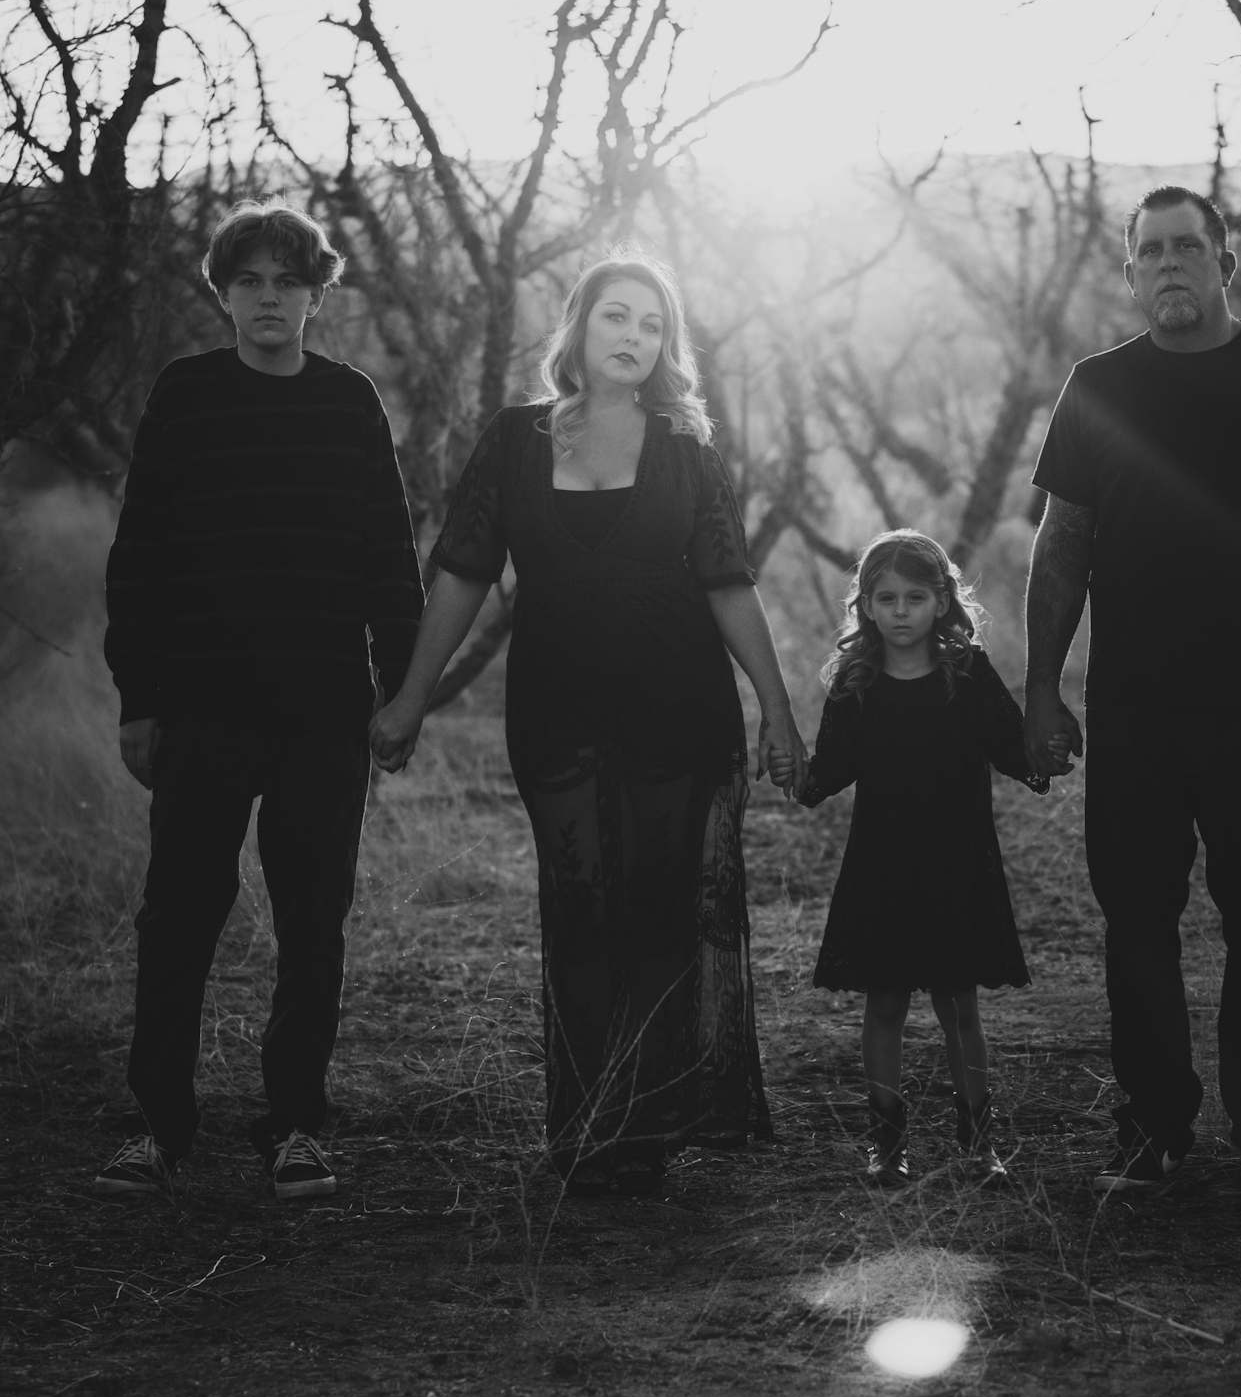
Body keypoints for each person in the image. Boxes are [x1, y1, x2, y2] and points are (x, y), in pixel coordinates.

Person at [370, 252, 806, 1194]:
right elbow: (463, 573)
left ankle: (648, 1127)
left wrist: (776, 709)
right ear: (579, 326)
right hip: (556, 702)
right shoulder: (516, 439)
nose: (633, 337)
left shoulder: (684, 447)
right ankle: (586, 1125)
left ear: (665, 346)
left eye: (652, 325)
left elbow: (728, 583)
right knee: (581, 908)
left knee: (658, 909)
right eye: (617, 316)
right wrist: (410, 697)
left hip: (677, 702)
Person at [1024, 185, 1241, 1192]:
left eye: (1187, 246)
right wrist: (1042, 689)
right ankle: (1154, 1129)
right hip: (1132, 711)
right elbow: (1062, 545)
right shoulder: (1097, 386)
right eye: (1150, 251)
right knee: (1137, 923)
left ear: (1226, 261)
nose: (1169, 263)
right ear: (1131, 272)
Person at [97, 200, 423, 1201]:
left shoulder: (350, 402)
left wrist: (402, 693)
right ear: (224, 293)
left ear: (316, 296)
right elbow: (140, 554)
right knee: (178, 918)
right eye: (250, 280)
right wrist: (140, 698)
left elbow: (388, 559)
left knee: (312, 922)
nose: (270, 297)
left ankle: (295, 1127)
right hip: (203, 707)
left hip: (324, 712)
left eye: (288, 280)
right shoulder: (187, 395)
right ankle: (159, 1127)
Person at [793, 530, 1068, 1187]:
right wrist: (794, 771)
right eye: (886, 598)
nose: (901, 611)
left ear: (942, 601)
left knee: (959, 1007)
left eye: (915, 597)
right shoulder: (856, 684)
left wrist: (1044, 755)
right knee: (885, 1004)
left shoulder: (967, 674)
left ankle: (979, 1144)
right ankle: (886, 1145)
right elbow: (830, 769)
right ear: (865, 605)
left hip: (956, 866)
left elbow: (1010, 749)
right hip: (882, 868)